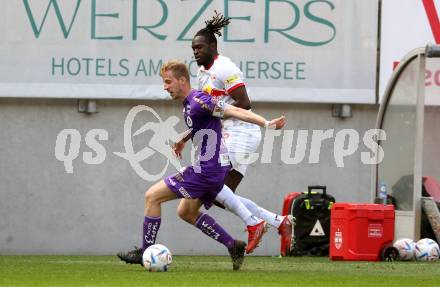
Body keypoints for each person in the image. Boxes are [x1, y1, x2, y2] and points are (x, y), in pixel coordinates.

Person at [117, 61, 286, 270]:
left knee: (152, 196)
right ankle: (233, 244)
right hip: (212, 170)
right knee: (186, 212)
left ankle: (145, 251)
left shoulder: (199, 100)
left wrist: (266, 123)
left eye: (168, 82)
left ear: (182, 80)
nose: (165, 87)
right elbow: (205, 124)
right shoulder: (190, 104)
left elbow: (234, 111)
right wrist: (184, 139)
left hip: (205, 171)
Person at [190, 11, 295, 252]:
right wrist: (187, 136)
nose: (196, 51)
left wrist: (216, 116)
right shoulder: (201, 73)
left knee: (212, 188)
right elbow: (205, 111)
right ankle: (279, 221)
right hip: (228, 134)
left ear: (212, 46)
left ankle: (256, 223)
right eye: (193, 48)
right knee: (219, 195)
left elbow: (244, 102)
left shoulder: (225, 68)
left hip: (240, 133)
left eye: (200, 47)